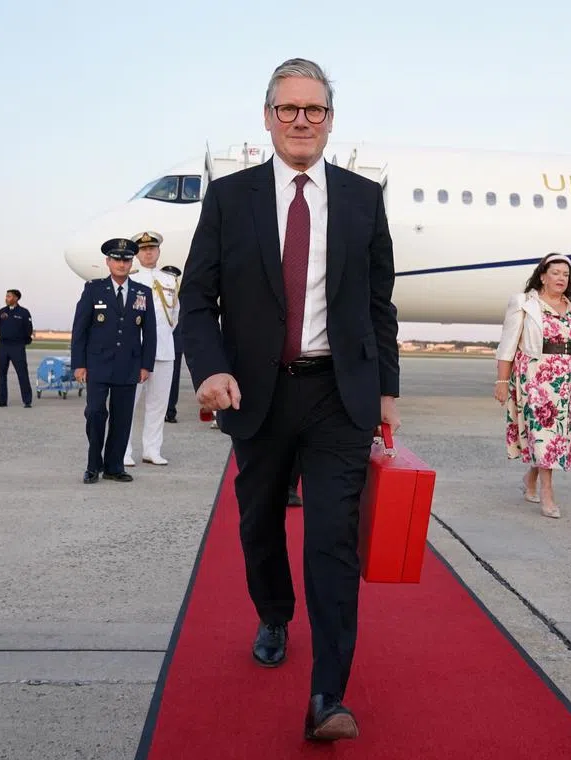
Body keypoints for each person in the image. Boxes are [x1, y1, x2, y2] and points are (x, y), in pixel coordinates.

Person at [180, 57, 400, 742]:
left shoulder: (363, 200)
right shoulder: (231, 197)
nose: (302, 120)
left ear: (330, 119)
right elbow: (196, 302)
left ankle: (327, 696)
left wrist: (387, 387)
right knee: (259, 525)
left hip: (339, 392)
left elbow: (378, 303)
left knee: (333, 540)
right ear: (268, 116)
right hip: (259, 393)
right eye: (288, 109)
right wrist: (210, 371)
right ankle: (274, 614)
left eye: (315, 109)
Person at [494, 253, 571, 518]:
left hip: (567, 380)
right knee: (545, 436)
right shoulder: (524, 303)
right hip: (535, 377)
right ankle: (547, 492)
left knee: (555, 439)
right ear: (542, 276)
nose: (561, 278)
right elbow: (507, 346)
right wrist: (501, 381)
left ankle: (531, 478)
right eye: (555, 273)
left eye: (565, 274)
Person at [70, 238, 156, 485]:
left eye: (126, 259)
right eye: (116, 259)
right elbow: (80, 329)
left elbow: (150, 333)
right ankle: (92, 464)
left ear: (132, 262)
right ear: (108, 261)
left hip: (128, 365)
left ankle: (114, 466)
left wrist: (145, 365)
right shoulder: (93, 289)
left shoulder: (143, 293)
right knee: (95, 413)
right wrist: (79, 363)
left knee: (122, 418)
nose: (121, 263)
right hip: (97, 364)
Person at [124, 231, 180, 466]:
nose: (148, 252)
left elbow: (174, 317)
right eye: (144, 249)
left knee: (158, 404)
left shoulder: (171, 280)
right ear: (137, 254)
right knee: (127, 404)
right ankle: (123, 450)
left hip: (165, 351)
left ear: (158, 251)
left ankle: (152, 449)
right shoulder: (131, 279)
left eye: (152, 249)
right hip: (136, 352)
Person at [0, 289, 34, 408]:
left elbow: (28, 329)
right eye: (6, 296)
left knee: (22, 373)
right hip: (3, 346)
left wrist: (22, 341)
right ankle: (2, 400)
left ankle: (27, 400)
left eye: (9, 296)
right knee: (2, 374)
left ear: (16, 298)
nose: (6, 298)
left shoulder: (23, 312)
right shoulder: (2, 312)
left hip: (17, 347)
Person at [164, 265, 184, 424]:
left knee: (173, 379)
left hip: (175, 344)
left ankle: (170, 411)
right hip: (157, 343)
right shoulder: (155, 294)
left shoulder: (181, 296)